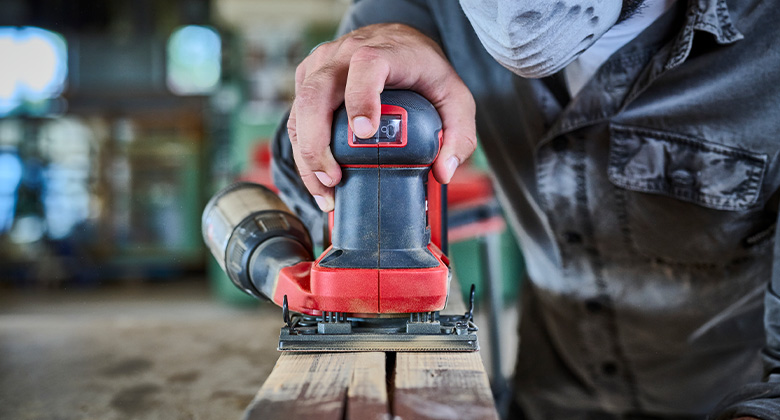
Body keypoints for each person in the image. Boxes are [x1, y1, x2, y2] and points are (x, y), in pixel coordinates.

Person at [270, 0, 780, 418]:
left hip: (721, 399)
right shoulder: (421, 12)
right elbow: (310, 182)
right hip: (549, 395)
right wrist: (344, 83)